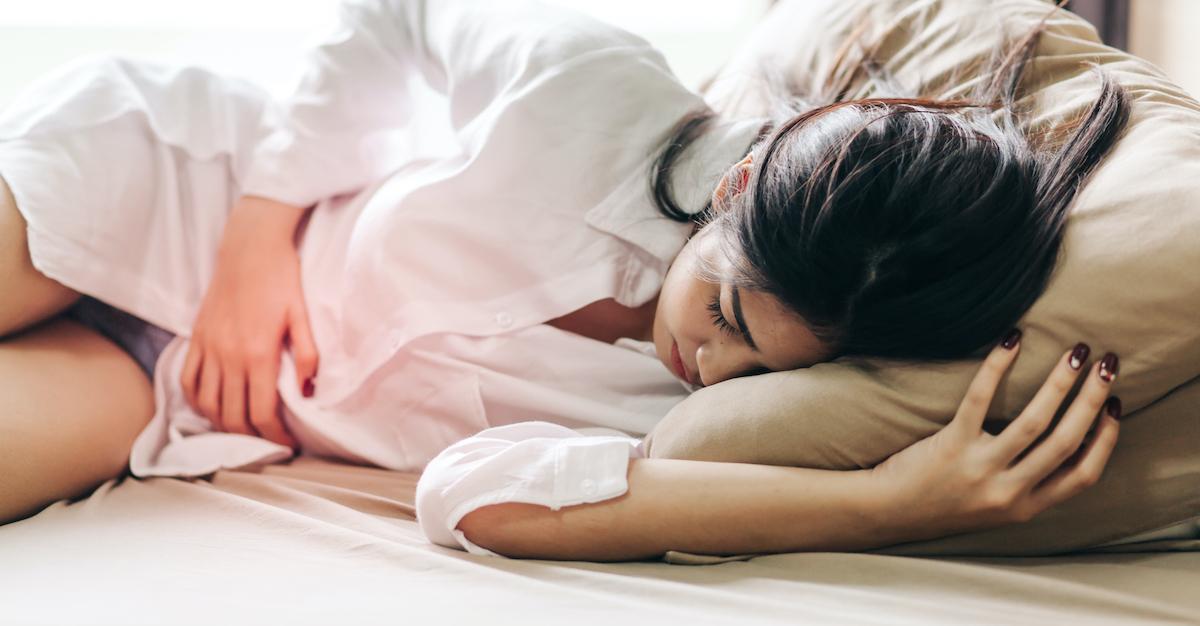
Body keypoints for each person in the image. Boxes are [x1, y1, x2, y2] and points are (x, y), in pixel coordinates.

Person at [0, 0, 1124, 561]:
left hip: (193, 397)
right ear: (737, 184)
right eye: (725, 309)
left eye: (760, 362)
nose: (711, 362)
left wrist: (884, 504)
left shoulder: (714, 415)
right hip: (171, 183)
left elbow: (470, 495)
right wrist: (258, 234)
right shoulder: (599, 92)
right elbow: (398, 13)